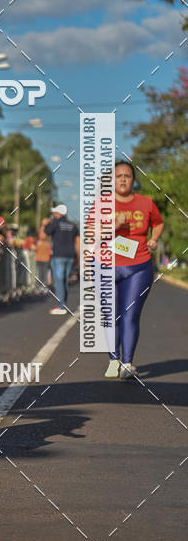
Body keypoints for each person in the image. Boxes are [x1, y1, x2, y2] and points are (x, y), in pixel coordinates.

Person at [104, 160, 163, 380]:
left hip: (139, 265)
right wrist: (115, 226)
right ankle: (113, 360)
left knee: (130, 314)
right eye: (118, 176)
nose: (123, 179)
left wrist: (154, 238)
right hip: (107, 265)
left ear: (133, 180)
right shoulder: (102, 204)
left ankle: (127, 363)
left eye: (127, 176)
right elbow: (91, 231)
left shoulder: (146, 203)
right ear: (112, 180)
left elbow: (158, 222)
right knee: (111, 315)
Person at [43, 204, 79, 315]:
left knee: (59, 281)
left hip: (59, 255)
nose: (53, 214)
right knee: (65, 280)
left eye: (55, 212)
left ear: (58, 214)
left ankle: (61, 306)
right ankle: (63, 304)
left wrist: (45, 224)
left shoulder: (55, 223)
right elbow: (78, 241)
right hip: (70, 255)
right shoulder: (73, 225)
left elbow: (45, 234)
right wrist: (78, 256)